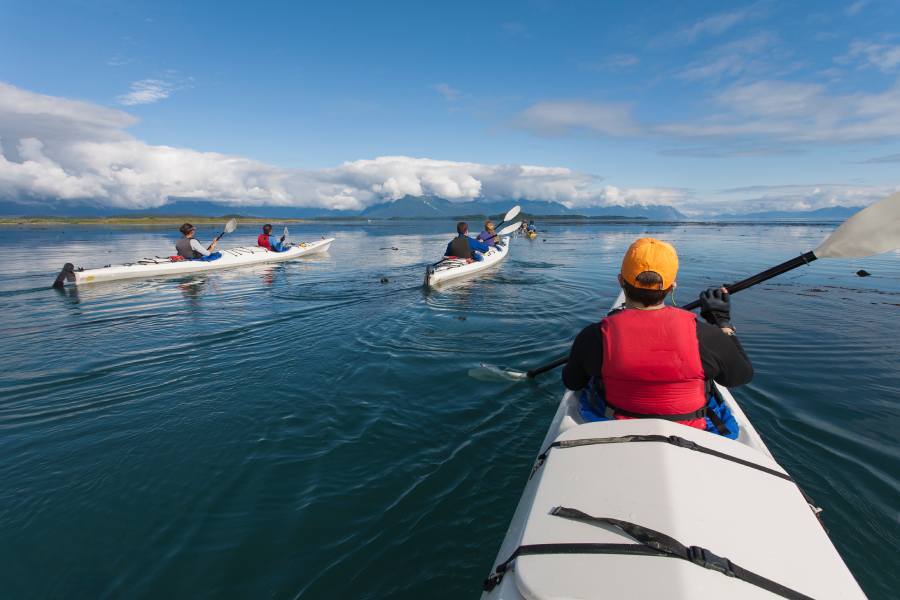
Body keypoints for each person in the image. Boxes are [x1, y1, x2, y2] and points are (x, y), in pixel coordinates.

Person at [561, 237, 753, 438]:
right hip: (693, 428)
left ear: (621, 281)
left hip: (614, 422)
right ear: (672, 286)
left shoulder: (593, 336)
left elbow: (573, 382)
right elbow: (739, 377)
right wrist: (722, 323)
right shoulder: (706, 336)